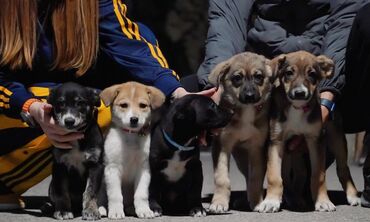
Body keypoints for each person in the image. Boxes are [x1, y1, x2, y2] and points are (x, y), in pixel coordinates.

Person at [0, 0, 215, 210]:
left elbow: (133, 45)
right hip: (16, 107)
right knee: (53, 98)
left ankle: (74, 189)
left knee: (106, 103)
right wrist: (29, 106)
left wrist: (178, 94)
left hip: (66, 100)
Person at [197, 0, 370, 207]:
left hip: (331, 75)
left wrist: (328, 95)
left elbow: (346, 19)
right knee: (189, 99)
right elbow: (226, 19)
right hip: (271, 74)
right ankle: (175, 190)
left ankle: (318, 181)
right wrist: (217, 89)